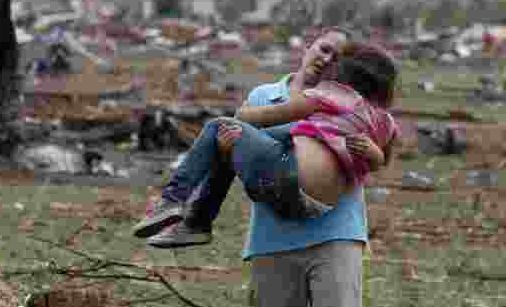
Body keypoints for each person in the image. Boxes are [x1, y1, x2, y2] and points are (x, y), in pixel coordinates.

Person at [149, 28, 391, 307]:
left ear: (347, 68)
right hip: (273, 233)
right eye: (322, 48)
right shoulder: (264, 96)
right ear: (308, 46)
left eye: (337, 56)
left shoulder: (358, 105)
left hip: (338, 230)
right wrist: (233, 146)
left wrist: (373, 152)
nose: (325, 58)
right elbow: (249, 152)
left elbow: (380, 152)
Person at [132, 41, 399, 237]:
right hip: (318, 206)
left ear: (341, 75)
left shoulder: (328, 95)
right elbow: (380, 161)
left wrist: (242, 120)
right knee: (266, 135)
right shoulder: (384, 122)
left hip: (288, 178)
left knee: (219, 127)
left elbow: (255, 118)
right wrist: (372, 152)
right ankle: (196, 222)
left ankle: (174, 203)